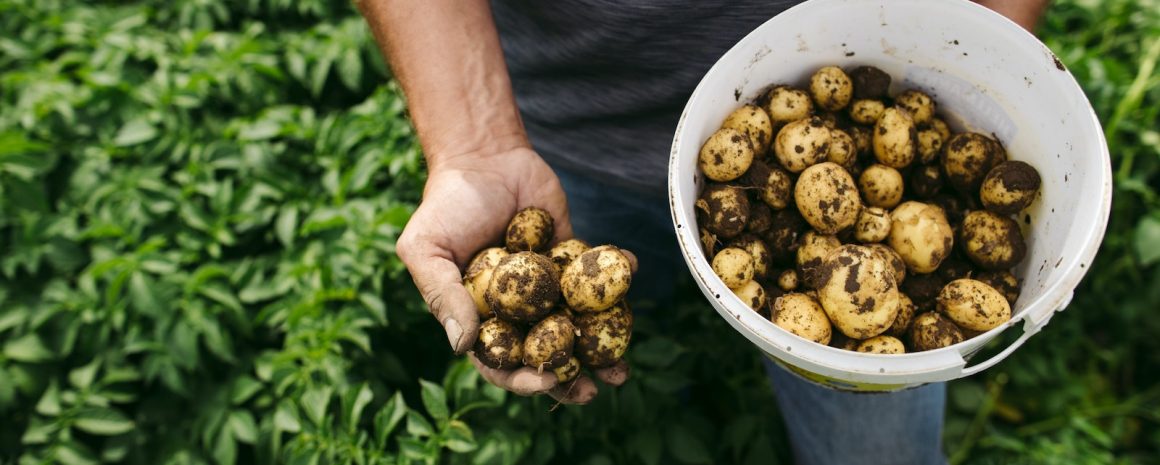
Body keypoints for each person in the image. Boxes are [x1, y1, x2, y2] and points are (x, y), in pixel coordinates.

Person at [358, 1, 1047, 463]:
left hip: (870, 36)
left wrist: (982, 41)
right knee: (600, 317)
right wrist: (475, 141)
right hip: (560, 138)